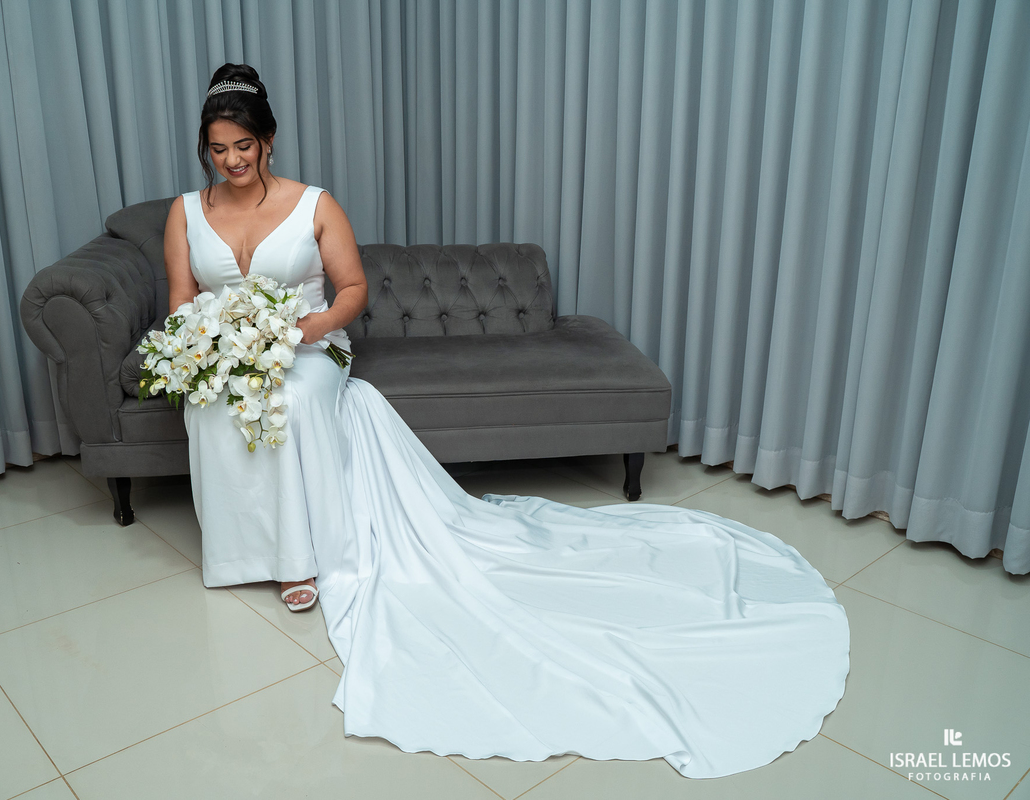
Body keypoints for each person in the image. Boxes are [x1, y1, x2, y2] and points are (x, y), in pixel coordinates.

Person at [163, 63, 851, 780]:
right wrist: (208, 342)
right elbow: (182, 297)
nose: (233, 160)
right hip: (229, 345)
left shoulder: (315, 205)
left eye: (244, 145)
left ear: (268, 140)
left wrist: (307, 330)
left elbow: (354, 290)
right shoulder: (186, 213)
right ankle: (243, 553)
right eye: (220, 149)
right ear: (206, 151)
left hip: (310, 345)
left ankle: (301, 562)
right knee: (209, 401)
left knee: (296, 399)